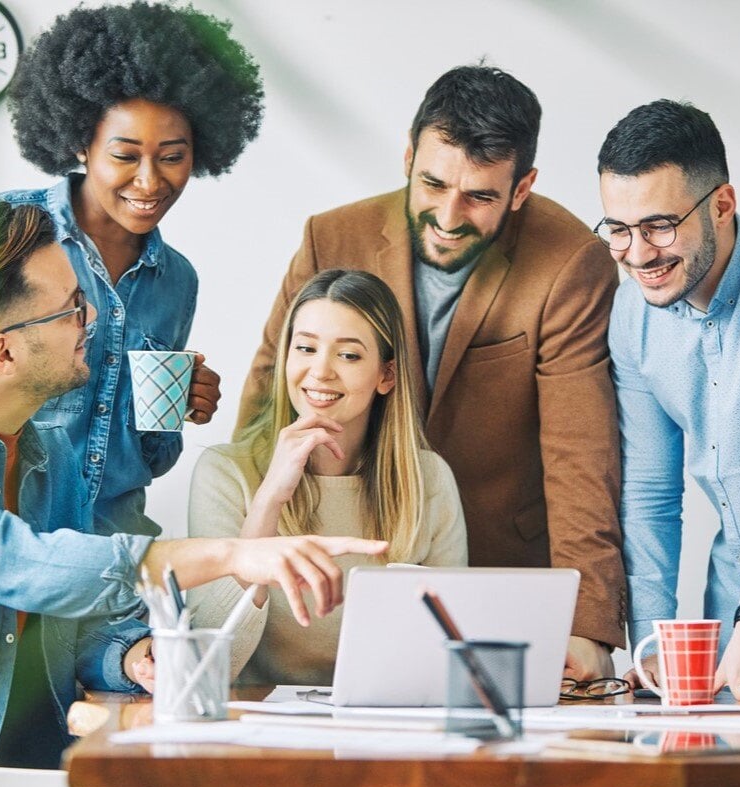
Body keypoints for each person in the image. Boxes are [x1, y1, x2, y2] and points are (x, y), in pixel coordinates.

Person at [0, 203, 387, 787]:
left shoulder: (50, 456)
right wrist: (231, 555)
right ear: (3, 352)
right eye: (70, 308)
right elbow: (17, 561)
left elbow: (83, 623)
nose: (94, 318)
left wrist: (131, 656)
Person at [236, 64, 627, 680]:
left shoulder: (571, 261)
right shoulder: (330, 237)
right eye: (433, 184)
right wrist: (246, 553)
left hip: (503, 568)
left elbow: (582, 456)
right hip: (344, 563)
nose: (448, 215)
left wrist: (586, 626)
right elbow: (266, 403)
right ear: (409, 156)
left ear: (521, 188)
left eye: (479, 196)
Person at [189, 268, 497, 787]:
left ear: (386, 375)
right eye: (305, 348)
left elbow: (453, 666)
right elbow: (214, 666)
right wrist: (271, 499)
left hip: (406, 773)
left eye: (349, 355)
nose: (320, 371)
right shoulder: (227, 474)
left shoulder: (427, 481)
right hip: (281, 774)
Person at [0, 0, 264, 536]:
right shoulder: (2, 232)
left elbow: (146, 460)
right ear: (82, 143)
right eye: (125, 155)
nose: (150, 182)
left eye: (172, 157)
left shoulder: (176, 280)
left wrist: (181, 409)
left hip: (114, 557)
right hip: (11, 549)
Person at [597, 99, 740, 703]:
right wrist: (650, 649)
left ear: (723, 205)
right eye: (619, 229)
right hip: (734, 609)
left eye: (660, 226)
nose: (639, 254)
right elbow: (649, 494)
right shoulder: (632, 317)